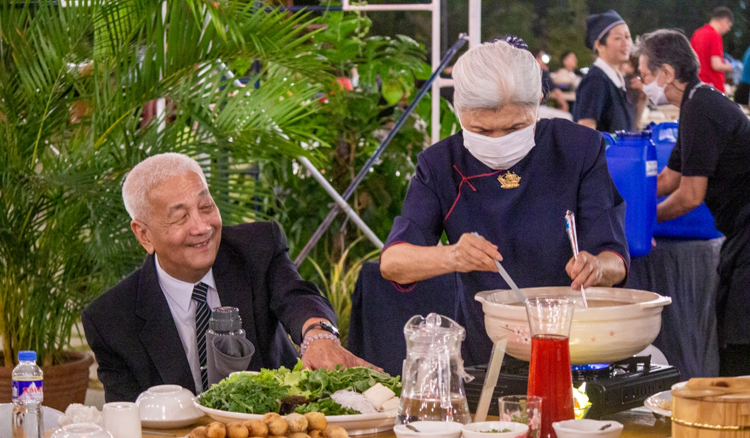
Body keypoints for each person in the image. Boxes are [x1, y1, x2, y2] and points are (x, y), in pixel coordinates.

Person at [380, 39, 629, 366]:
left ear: (539, 101)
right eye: (482, 130)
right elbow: (393, 262)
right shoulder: (441, 164)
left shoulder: (578, 148)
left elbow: (616, 258)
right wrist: (452, 255)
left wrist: (596, 267)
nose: (499, 142)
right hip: (486, 354)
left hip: (575, 348)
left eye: (515, 127)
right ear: (459, 110)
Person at [83, 153, 370, 402]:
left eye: (206, 207)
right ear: (144, 234)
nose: (201, 227)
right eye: (180, 217)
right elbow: (131, 422)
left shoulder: (257, 247)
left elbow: (297, 295)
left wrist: (317, 335)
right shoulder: (110, 319)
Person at [637, 30, 750, 376]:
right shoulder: (695, 103)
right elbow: (669, 178)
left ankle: (737, 420)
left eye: (644, 76)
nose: (643, 85)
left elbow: (689, 195)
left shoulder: (700, 107)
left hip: (747, 230)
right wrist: (621, 198)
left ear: (666, 73)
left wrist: (641, 223)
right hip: (738, 231)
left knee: (739, 336)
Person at [574, 10, 635, 132]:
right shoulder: (596, 80)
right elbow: (586, 128)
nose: (626, 43)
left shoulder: (617, 79)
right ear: (599, 45)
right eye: (618, 38)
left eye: (628, 37)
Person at [690, 7, 734, 93]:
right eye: (729, 26)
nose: (728, 30)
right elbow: (716, 65)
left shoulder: (697, 33)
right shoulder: (715, 36)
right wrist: (727, 67)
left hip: (697, 84)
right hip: (713, 86)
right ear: (724, 21)